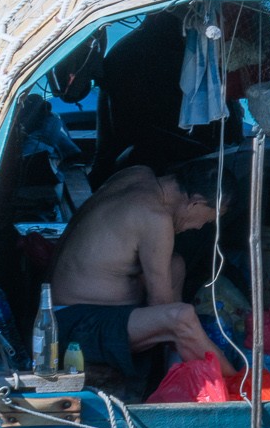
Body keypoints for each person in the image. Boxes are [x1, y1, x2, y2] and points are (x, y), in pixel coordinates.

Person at [48, 160, 221, 378]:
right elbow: (163, 307)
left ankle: (173, 366)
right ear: (195, 203)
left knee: (174, 265)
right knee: (180, 317)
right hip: (72, 329)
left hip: (68, 313)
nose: (198, 227)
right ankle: (238, 383)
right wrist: (192, 334)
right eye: (207, 221)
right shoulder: (155, 217)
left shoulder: (137, 173)